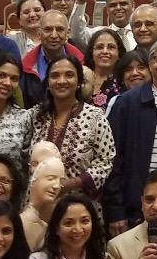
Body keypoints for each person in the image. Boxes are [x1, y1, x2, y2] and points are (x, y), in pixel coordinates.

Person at [104, 38, 157, 235]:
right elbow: (112, 159)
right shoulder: (126, 103)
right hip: (132, 206)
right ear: (150, 64)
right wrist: (116, 210)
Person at [29, 57, 116, 197]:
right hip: (36, 201)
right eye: (55, 75)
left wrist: (73, 183)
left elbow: (105, 161)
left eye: (69, 75)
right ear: (48, 83)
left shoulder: (95, 117)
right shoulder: (36, 115)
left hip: (77, 203)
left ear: (79, 82)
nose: (61, 81)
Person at [86, 27, 126, 109]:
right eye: (100, 47)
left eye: (111, 47)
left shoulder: (124, 82)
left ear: (119, 53)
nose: (105, 51)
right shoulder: (80, 78)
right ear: (91, 52)